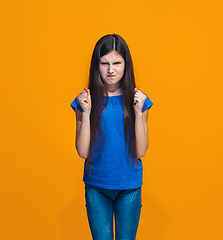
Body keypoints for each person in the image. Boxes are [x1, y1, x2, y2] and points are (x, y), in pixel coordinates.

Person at [70, 34, 153, 240]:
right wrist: (87, 113)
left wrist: (138, 112)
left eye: (117, 63)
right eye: (104, 63)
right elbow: (82, 152)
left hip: (129, 186)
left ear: (126, 65)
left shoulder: (139, 101)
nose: (111, 70)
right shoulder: (84, 101)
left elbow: (141, 150)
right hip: (96, 186)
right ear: (96, 65)